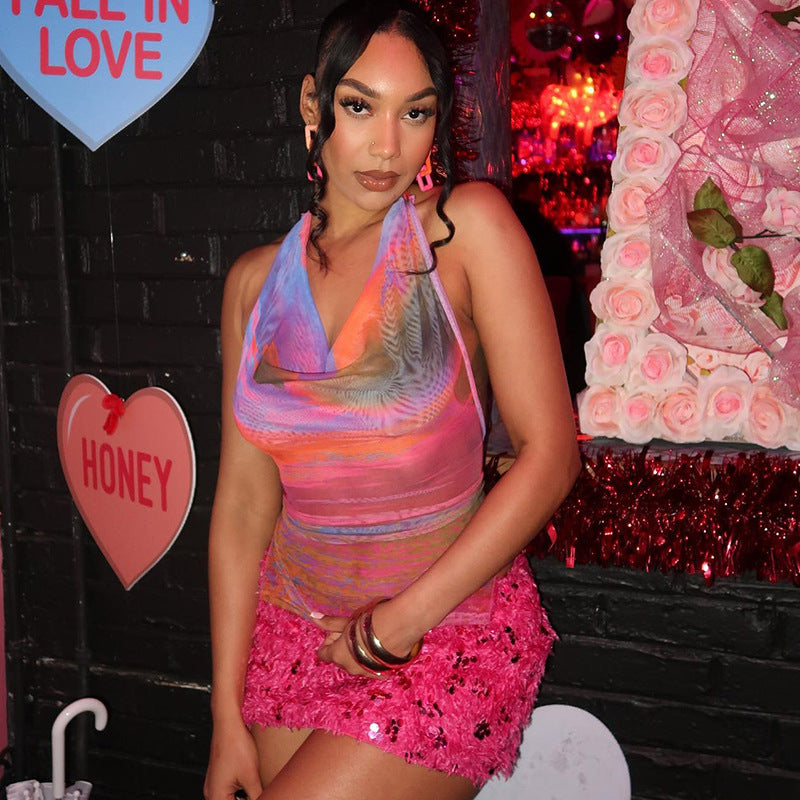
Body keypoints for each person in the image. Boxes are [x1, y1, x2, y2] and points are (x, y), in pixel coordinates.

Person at [203, 2, 580, 798]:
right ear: (313, 105)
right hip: (290, 634)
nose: (386, 146)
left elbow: (550, 458)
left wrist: (397, 623)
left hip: (447, 630)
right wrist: (224, 714)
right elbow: (241, 509)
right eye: (359, 106)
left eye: (414, 113)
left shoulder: (464, 232)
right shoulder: (252, 285)